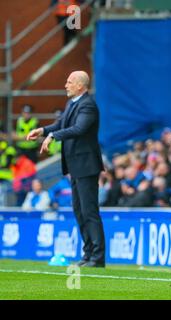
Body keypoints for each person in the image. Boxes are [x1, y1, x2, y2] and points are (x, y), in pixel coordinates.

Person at [26, 71, 105, 268]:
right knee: (79, 211)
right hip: (75, 166)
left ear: (80, 85)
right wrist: (43, 131)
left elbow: (78, 129)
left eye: (69, 82)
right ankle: (88, 254)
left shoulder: (88, 105)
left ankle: (97, 257)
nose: (65, 85)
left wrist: (53, 137)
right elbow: (62, 123)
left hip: (86, 166)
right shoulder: (73, 103)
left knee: (89, 211)